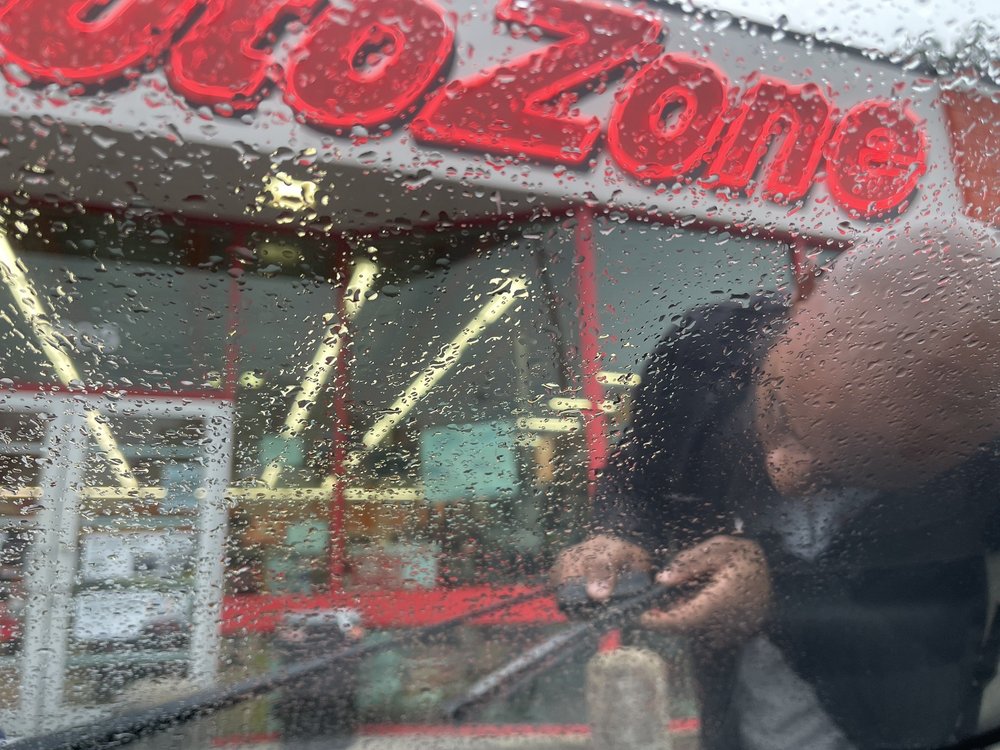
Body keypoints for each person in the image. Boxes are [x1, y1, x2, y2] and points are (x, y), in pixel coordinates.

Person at [551, 221, 1000, 750]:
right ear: (803, 300)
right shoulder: (702, 359)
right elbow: (639, 473)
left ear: (971, 444)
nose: (784, 474)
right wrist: (619, 532)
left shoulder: (981, 485)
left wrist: (779, 597)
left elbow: (917, 706)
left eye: (845, 470)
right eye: (781, 412)